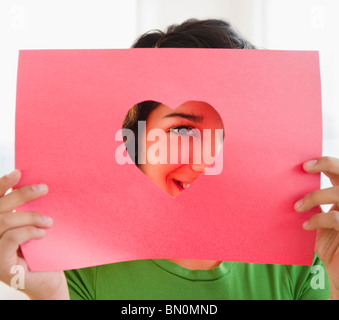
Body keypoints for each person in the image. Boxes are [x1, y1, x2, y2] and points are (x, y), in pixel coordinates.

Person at [0, 18, 338, 300]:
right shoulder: (73, 266)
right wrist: (49, 295)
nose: (206, 163)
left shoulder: (310, 262)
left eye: (230, 137)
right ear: (132, 142)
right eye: (183, 132)